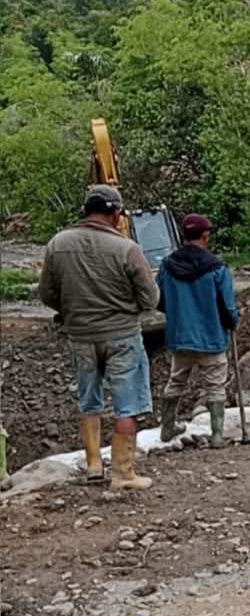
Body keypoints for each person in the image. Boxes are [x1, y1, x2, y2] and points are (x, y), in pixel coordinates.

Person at [38, 185, 159, 490]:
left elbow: (47, 294)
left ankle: (93, 465)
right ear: (116, 214)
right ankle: (124, 473)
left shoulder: (57, 244)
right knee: (127, 404)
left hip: (80, 336)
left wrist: (72, 310)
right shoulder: (127, 248)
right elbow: (150, 297)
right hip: (122, 336)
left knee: (88, 400)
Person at [157, 214, 239, 448]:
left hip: (180, 335)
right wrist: (232, 321)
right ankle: (217, 435)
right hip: (211, 335)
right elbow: (228, 303)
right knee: (215, 384)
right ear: (205, 236)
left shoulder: (167, 265)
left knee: (176, 381)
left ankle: (168, 427)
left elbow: (157, 297)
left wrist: (175, 313)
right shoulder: (217, 267)